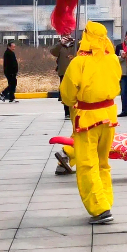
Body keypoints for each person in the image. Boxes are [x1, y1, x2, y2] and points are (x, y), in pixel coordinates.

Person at [59, 22, 121, 225]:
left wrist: (73, 102)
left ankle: (99, 208)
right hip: (109, 116)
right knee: (103, 162)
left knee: (87, 163)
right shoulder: (112, 59)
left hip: (87, 117)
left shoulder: (79, 63)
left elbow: (67, 93)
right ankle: (105, 201)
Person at [50, 35, 79, 174]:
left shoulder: (77, 45)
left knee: (80, 133)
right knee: (83, 135)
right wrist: (60, 43)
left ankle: (65, 159)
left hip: (75, 76)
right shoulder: (60, 46)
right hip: (65, 74)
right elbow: (53, 52)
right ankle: (66, 154)